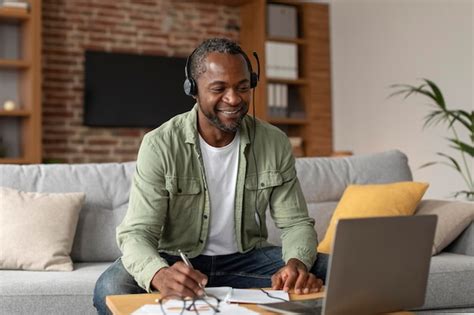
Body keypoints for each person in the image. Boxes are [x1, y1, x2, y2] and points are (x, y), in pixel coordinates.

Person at [93, 38, 328, 315]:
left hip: (247, 260)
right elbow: (137, 233)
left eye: (243, 87)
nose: (234, 98)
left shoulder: (274, 142)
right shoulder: (160, 144)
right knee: (111, 287)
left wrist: (296, 264)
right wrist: (160, 275)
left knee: (339, 268)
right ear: (192, 89)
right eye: (219, 89)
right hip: (176, 260)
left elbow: (296, 223)